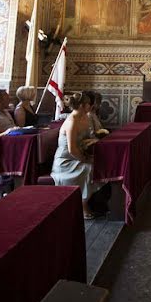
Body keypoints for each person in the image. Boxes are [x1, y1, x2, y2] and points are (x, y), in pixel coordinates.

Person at [52, 91, 101, 219]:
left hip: (79, 155)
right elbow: (72, 149)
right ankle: (83, 205)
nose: (91, 106)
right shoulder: (72, 121)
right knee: (90, 169)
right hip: (66, 161)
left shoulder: (84, 117)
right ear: (82, 106)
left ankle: (100, 203)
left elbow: (87, 138)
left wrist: (94, 141)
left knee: (102, 164)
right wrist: (86, 159)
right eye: (89, 104)